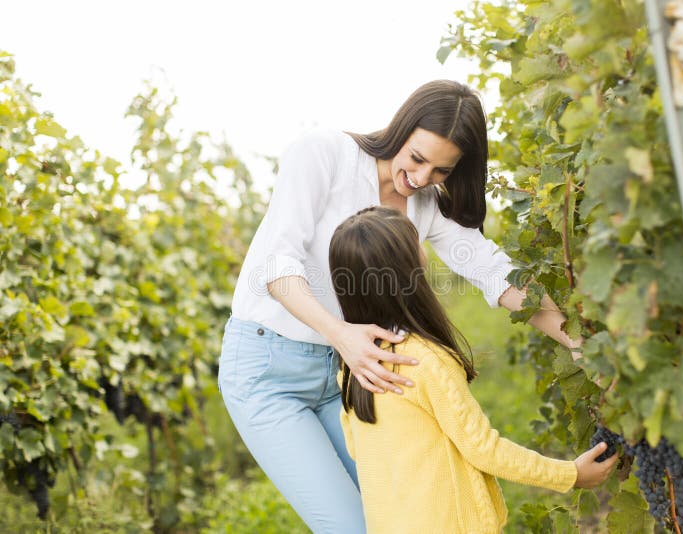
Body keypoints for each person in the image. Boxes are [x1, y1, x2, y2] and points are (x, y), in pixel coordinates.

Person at [218, 80, 586, 533]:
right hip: (268, 369)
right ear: (401, 128)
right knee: (351, 527)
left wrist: (575, 337)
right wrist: (340, 334)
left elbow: (492, 271)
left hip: (346, 370)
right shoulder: (323, 155)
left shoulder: (425, 203)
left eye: (441, 171)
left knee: (395, 516)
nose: (421, 178)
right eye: (417, 158)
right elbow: (276, 266)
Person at [330, 206, 617, 534]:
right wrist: (570, 474)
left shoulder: (354, 367)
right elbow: (483, 449)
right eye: (415, 243)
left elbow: (358, 448)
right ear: (408, 270)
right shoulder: (424, 360)